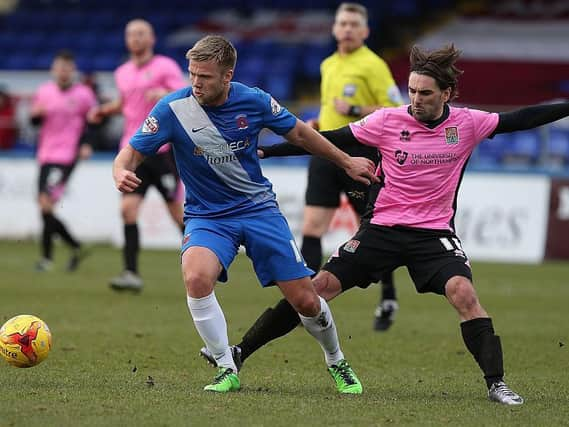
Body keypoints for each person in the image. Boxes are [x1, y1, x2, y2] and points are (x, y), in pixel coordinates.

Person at [199, 43, 569, 405]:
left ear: (448, 94)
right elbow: (329, 139)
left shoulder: (468, 123)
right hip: (382, 229)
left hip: (433, 234)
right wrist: (269, 150)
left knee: (464, 294)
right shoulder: (388, 121)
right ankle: (241, 350)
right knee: (315, 290)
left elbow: (521, 119)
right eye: (411, 91)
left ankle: (497, 384)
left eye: (425, 92)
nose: (416, 99)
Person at [112, 34, 377, 393]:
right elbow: (131, 152)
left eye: (204, 76)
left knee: (305, 300)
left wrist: (345, 161)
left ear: (227, 76)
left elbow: (300, 134)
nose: (195, 83)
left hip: (257, 210)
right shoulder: (172, 108)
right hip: (207, 216)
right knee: (196, 278)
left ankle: (336, 360)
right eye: (192, 74)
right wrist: (119, 170)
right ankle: (226, 367)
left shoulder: (253, 101)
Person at [303, 3, 403, 331]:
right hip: (325, 149)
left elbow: (396, 108)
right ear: (334, 29)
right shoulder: (328, 63)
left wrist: (357, 107)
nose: (346, 29)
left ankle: (388, 296)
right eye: (342, 23)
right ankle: (304, 299)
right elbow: (329, 105)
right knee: (311, 226)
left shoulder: (373, 65)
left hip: (360, 153)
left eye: (353, 24)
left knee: (373, 230)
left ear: (365, 32)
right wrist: (320, 120)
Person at [88, 19, 187, 292]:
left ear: (152, 38)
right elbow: (126, 103)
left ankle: (209, 259)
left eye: (141, 33)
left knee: (176, 213)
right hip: (133, 152)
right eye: (131, 33)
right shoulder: (122, 72)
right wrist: (105, 110)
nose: (135, 38)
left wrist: (164, 93)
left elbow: (185, 95)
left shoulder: (164, 66)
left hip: (163, 151)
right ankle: (130, 273)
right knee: (127, 210)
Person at [30, 50, 97, 272]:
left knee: (45, 203)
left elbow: (93, 121)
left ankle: (48, 258)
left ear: (72, 70)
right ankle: (73, 248)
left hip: (66, 156)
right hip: (45, 155)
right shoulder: (44, 92)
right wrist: (36, 115)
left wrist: (87, 143)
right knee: (45, 207)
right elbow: (34, 121)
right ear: (53, 70)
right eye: (59, 67)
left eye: (67, 68)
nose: (63, 72)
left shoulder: (84, 94)